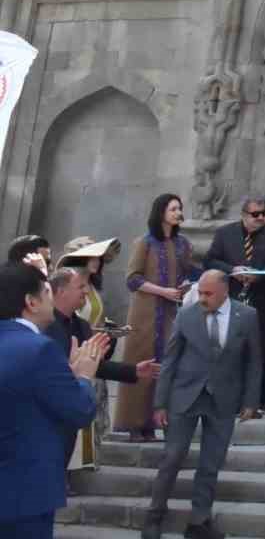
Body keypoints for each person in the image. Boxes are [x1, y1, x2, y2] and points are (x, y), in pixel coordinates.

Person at [141, 270, 262, 539]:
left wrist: (250, 401)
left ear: (225, 292)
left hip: (223, 398)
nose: (203, 298)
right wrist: (160, 403)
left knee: (211, 462)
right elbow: (170, 360)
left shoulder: (247, 316)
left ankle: (199, 521)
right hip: (184, 395)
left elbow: (254, 361)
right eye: (200, 293)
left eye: (208, 294)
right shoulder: (186, 315)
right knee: (172, 457)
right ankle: (154, 517)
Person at [0, 260, 105, 539]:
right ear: (31, 302)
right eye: (47, 292)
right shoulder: (39, 349)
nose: (51, 299)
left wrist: (65, 376)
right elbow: (79, 409)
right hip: (23, 494)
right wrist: (83, 377)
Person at [44, 267, 158, 465]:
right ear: (61, 291)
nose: (86, 291)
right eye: (80, 286)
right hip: (47, 411)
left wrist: (133, 370)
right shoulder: (44, 323)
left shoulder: (82, 325)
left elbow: (96, 365)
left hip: (72, 410)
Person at [117, 192, 199, 440]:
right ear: (161, 212)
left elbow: (190, 272)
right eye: (173, 209)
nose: (178, 213)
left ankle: (153, 423)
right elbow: (133, 279)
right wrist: (163, 291)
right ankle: (134, 424)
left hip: (171, 312)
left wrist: (186, 285)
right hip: (145, 313)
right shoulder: (144, 242)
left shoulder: (183, 244)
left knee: (166, 364)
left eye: (179, 208)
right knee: (142, 363)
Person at [204, 195, 265, 411]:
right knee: (228, 349)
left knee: (258, 351)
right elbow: (210, 260)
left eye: (263, 213)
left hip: (261, 301)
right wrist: (233, 270)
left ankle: (252, 402)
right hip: (229, 298)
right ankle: (227, 398)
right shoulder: (225, 233)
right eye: (255, 214)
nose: (261, 218)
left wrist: (259, 274)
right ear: (243, 214)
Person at [55, 237, 124, 467]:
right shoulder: (68, 281)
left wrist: (108, 331)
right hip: (75, 353)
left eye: (99, 257)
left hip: (93, 352)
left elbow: (93, 319)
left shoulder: (91, 286)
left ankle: (77, 466)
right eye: (92, 256)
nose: (97, 261)